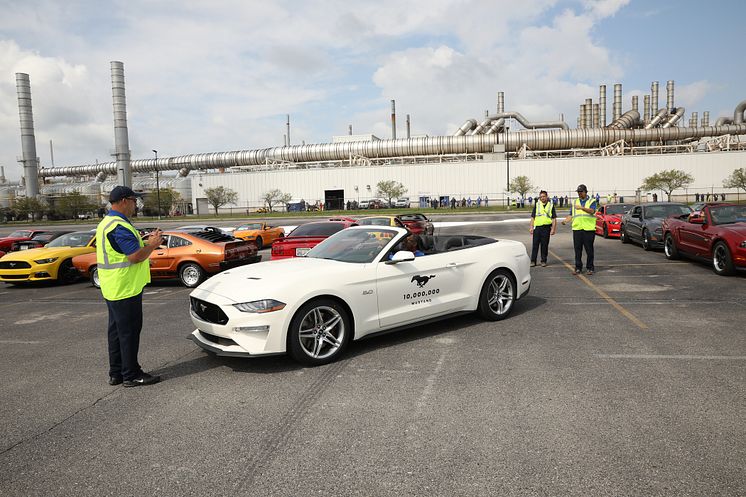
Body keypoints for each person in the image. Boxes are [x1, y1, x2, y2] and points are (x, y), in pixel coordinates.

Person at [97, 186, 164, 387]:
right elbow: (134, 256)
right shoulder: (119, 226)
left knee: (116, 332)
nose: (136, 205)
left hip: (113, 287)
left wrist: (144, 244)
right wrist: (152, 245)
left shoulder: (107, 223)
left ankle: (116, 373)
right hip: (125, 288)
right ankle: (131, 374)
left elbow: (122, 252)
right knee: (129, 332)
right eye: (135, 201)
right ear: (125, 201)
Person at [562, 184, 598, 275]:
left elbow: (592, 211)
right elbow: (572, 214)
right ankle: (578, 268)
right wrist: (566, 220)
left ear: (585, 192)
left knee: (589, 250)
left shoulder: (592, 201)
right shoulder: (575, 202)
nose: (579, 193)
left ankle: (590, 268)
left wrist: (582, 208)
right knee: (577, 249)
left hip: (588, 229)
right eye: (578, 192)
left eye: (581, 192)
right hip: (577, 229)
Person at [529, 190, 557, 267]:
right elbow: (533, 217)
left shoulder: (551, 205)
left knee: (544, 245)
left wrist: (553, 229)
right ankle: (533, 261)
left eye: (544, 196)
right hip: (537, 228)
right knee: (535, 245)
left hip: (546, 228)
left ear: (547, 197)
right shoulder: (537, 205)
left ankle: (543, 261)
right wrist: (531, 227)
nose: (542, 198)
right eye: (541, 197)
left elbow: (554, 218)